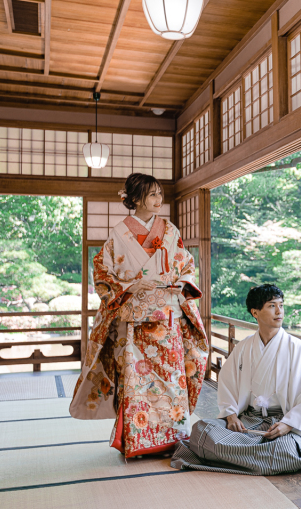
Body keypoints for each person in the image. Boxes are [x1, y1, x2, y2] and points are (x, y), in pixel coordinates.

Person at [69, 173, 208, 458]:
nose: (159, 200)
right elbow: (103, 275)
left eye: (160, 194)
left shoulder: (170, 231)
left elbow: (186, 265)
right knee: (135, 385)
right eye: (153, 194)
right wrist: (132, 284)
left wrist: (180, 282)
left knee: (172, 382)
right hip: (133, 324)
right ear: (135, 199)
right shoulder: (118, 234)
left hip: (167, 320)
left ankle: (172, 440)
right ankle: (138, 442)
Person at [170, 284, 301, 475]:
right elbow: (227, 382)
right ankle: (256, 459)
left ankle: (234, 456)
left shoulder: (296, 347)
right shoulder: (244, 347)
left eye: (281, 305)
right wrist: (231, 415)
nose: (279, 311)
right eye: (272, 306)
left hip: (282, 426)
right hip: (249, 421)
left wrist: (288, 423)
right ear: (255, 312)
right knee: (201, 430)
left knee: (284, 450)